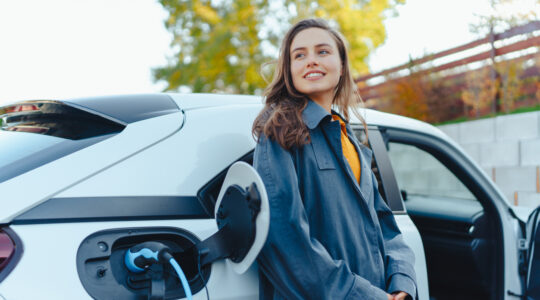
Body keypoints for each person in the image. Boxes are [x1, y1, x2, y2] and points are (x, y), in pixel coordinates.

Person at [251, 18, 417, 300]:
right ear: (289, 71)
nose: (311, 61)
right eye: (299, 55)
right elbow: (284, 238)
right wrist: (362, 295)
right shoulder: (279, 131)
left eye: (322, 52)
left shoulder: (349, 138)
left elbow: (384, 223)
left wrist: (401, 281)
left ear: (341, 66)